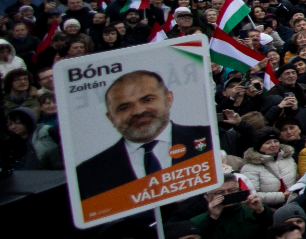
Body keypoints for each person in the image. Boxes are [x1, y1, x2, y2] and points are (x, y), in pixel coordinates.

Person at [71, 69, 216, 218]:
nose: (138, 111)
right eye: (124, 107)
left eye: (147, 99)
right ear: (111, 118)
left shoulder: (210, 138)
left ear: (168, 99)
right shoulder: (87, 174)